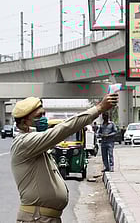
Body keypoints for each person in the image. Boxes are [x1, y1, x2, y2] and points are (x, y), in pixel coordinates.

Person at [10, 94, 118, 223]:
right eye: (38, 116)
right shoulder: (25, 142)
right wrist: (98, 108)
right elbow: (64, 129)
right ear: (24, 122)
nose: (44, 119)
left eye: (44, 114)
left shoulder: (37, 144)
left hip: (44, 218)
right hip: (36, 218)